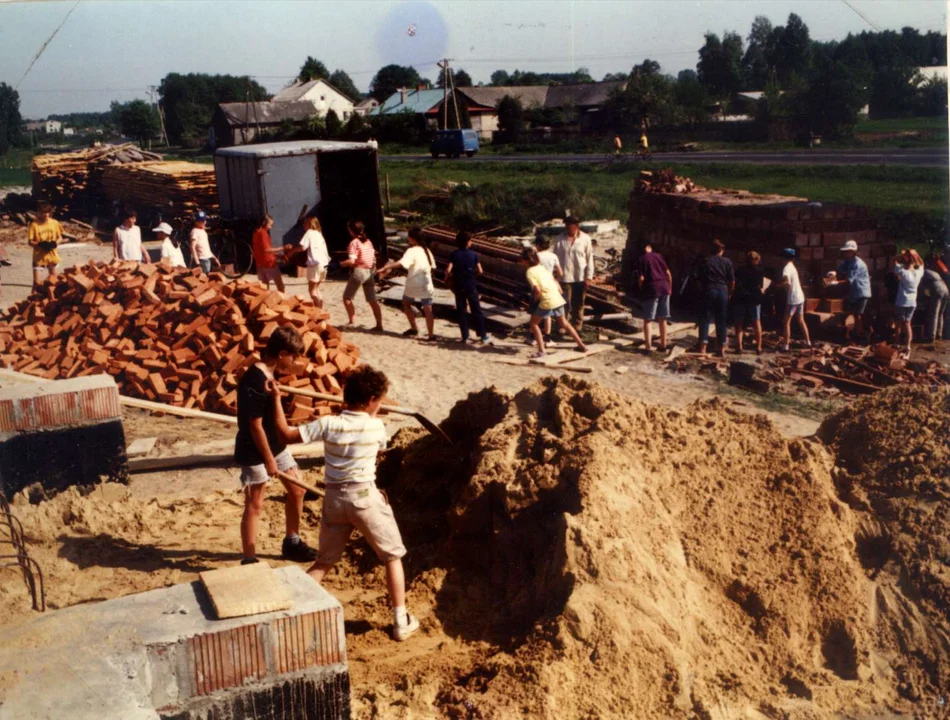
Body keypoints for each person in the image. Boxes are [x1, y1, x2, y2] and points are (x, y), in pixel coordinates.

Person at [266, 364, 420, 642]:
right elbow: (381, 448)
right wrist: (373, 417)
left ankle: (293, 611)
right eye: (379, 400)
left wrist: (277, 400)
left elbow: (286, 435)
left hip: (334, 499)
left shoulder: (328, 423)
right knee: (392, 556)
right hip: (364, 498)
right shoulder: (376, 426)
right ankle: (401, 621)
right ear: (371, 400)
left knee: (323, 562)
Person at [234, 326, 318, 565]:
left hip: (274, 443)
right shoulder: (254, 380)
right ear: (282, 353)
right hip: (254, 449)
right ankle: (249, 558)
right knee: (255, 501)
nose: (294, 362)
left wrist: (276, 398)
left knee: (297, 489)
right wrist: (269, 459)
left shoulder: (270, 375)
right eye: (293, 357)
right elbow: (255, 426)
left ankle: (292, 542)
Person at [521, 246, 588, 359]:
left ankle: (541, 351)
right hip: (557, 298)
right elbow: (555, 281)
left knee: (533, 324)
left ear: (525, 260)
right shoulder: (542, 267)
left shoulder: (530, 272)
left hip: (547, 299)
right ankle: (581, 345)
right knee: (565, 323)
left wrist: (536, 300)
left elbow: (537, 290)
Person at [377, 226, 436, 340]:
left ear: (412, 239)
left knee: (406, 303)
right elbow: (432, 267)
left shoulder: (411, 251)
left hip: (414, 283)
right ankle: (431, 335)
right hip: (426, 283)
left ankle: (414, 328)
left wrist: (387, 266)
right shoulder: (427, 250)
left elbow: (401, 263)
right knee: (428, 309)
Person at [445, 231, 490, 344]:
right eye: (470, 241)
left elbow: (448, 270)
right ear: (467, 242)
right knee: (476, 310)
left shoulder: (454, 254)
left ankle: (465, 336)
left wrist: (449, 278)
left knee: (462, 310)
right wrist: (471, 274)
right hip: (470, 285)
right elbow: (480, 271)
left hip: (458, 285)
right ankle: (483, 335)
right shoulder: (474, 254)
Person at [825, 239, 872, 342]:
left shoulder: (857, 264)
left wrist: (835, 283)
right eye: (845, 251)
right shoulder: (848, 261)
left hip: (861, 292)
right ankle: (853, 332)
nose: (845, 253)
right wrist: (833, 274)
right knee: (850, 312)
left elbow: (849, 281)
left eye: (847, 251)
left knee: (857, 314)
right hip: (854, 292)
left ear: (853, 252)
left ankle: (859, 335)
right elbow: (840, 269)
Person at [553, 216, 594, 332]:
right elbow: (554, 258)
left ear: (576, 226)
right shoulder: (560, 239)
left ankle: (577, 327)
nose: (567, 227)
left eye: (570, 225)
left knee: (579, 304)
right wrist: (554, 276)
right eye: (566, 225)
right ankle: (562, 327)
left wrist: (589, 277)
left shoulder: (585, 239)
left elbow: (590, 258)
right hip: (564, 277)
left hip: (580, 277)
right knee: (563, 304)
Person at [341, 220, 384, 331]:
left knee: (347, 298)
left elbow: (352, 261)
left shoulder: (354, 243)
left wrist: (341, 263)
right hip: (369, 272)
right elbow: (373, 258)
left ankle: (352, 321)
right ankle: (379, 324)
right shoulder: (368, 241)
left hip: (359, 271)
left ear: (351, 231)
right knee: (372, 300)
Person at [697, 239, 734, 357]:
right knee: (721, 320)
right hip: (722, 290)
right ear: (721, 250)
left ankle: (703, 347)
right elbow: (732, 281)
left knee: (705, 318)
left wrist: (702, 290)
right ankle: (721, 348)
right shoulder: (727, 262)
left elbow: (699, 279)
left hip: (709, 289)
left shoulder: (706, 261)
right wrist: (729, 293)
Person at [637, 243, 672, 352]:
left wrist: (641, 288)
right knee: (663, 318)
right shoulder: (658, 256)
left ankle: (648, 347)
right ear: (649, 247)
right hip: (664, 287)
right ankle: (663, 344)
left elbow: (641, 278)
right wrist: (670, 287)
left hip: (651, 289)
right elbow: (668, 273)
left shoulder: (641, 259)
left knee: (648, 319)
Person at [775, 248, 811, 352]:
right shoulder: (793, 267)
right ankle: (808, 342)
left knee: (786, 322)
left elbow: (787, 283)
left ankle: (785, 346)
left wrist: (777, 286)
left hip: (793, 298)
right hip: (800, 296)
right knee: (801, 320)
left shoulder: (786, 268)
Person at [891, 248, 925, 357]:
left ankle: (896, 343)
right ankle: (907, 345)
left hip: (901, 301)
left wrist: (902, 256)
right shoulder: (918, 273)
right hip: (912, 302)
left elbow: (894, 261)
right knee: (907, 323)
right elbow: (921, 263)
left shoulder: (902, 272)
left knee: (898, 324)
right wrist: (915, 254)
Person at [733, 250, 764, 355]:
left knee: (739, 323)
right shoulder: (760, 271)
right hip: (754, 299)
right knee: (756, 322)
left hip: (741, 298)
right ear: (757, 260)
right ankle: (759, 347)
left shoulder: (740, 270)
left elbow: (736, 283)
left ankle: (739, 346)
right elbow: (761, 286)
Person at [294, 216, 330, 306]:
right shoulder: (319, 233)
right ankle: (320, 309)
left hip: (315, 265)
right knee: (317, 289)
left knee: (312, 291)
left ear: (309, 224)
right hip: (324, 264)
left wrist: (292, 251)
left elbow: (303, 247)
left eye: (305, 223)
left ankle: (318, 311)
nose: (303, 225)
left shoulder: (309, 233)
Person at [28, 201, 62, 290]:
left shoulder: (55, 223)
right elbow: (30, 242)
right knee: (37, 283)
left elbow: (60, 237)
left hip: (52, 256)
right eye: (43, 213)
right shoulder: (34, 225)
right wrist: (39, 244)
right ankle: (32, 302)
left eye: (47, 212)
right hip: (39, 257)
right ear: (38, 213)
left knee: (54, 280)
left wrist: (55, 244)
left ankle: (51, 301)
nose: (46, 215)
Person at [535, 236, 562, 339]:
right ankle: (548, 336)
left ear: (538, 245)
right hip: (549, 286)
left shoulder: (536, 256)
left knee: (535, 311)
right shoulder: (553, 256)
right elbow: (560, 272)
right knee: (548, 313)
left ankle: (533, 337)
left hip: (538, 285)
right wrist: (554, 279)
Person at [252, 214, 285, 292]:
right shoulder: (263, 233)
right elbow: (266, 250)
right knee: (280, 286)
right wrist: (282, 248)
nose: (271, 227)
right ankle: (283, 302)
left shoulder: (256, 233)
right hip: (269, 263)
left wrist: (278, 256)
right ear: (264, 223)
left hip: (259, 264)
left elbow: (261, 250)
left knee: (264, 288)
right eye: (270, 225)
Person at [920, 265, 949, 342]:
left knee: (934, 314)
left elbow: (921, 288)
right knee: (941, 314)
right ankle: (939, 334)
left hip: (937, 290)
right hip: (945, 290)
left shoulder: (921, 272)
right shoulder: (934, 272)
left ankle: (931, 337)